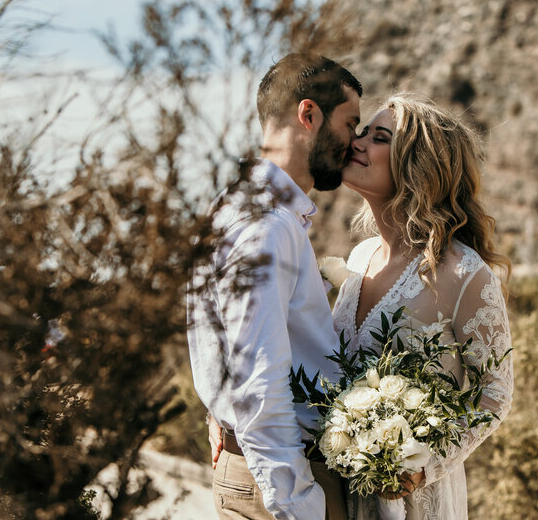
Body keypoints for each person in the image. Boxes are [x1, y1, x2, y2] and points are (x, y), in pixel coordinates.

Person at [187, 53, 362, 520]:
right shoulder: (270, 225)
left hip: (261, 472)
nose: (353, 143)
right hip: (287, 484)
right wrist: (300, 506)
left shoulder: (231, 206)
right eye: (350, 124)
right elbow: (259, 383)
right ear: (309, 115)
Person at [332, 94, 514, 520]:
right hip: (337, 491)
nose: (356, 144)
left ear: (416, 165)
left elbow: (494, 394)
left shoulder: (463, 274)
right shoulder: (358, 259)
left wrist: (420, 467)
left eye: (378, 138)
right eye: (361, 133)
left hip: (413, 501)